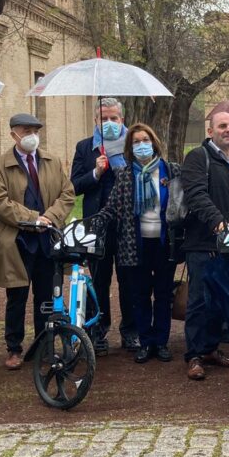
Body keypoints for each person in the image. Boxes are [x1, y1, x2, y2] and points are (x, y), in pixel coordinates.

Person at [0, 114, 75, 371]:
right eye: (26, 130)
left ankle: (44, 345)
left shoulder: (52, 161)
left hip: (47, 239)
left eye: (35, 130)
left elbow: (67, 194)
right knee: (16, 295)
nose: (32, 135)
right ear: (13, 133)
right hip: (17, 239)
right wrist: (32, 219)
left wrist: (50, 217)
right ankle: (13, 348)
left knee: (46, 296)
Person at [180, 112, 229, 380]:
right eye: (222, 126)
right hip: (203, 243)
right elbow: (195, 194)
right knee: (200, 300)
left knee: (224, 300)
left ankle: (211, 348)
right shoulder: (198, 158)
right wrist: (218, 223)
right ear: (210, 131)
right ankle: (195, 355)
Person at [93, 123, 178, 363]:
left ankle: (160, 341)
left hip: (164, 243)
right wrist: (94, 221)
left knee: (162, 295)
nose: (142, 145)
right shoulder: (125, 175)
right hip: (135, 244)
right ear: (130, 147)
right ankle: (145, 340)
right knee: (139, 295)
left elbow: (181, 203)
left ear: (154, 142)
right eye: (136, 142)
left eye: (145, 140)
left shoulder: (170, 171)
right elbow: (111, 208)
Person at [70, 97, 128, 354]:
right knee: (99, 280)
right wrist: (95, 173)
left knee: (129, 280)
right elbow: (75, 185)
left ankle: (131, 332)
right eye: (103, 119)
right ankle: (99, 330)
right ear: (95, 120)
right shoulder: (85, 148)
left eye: (113, 118)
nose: (109, 123)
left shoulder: (134, 144)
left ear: (122, 120)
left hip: (127, 224)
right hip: (97, 224)